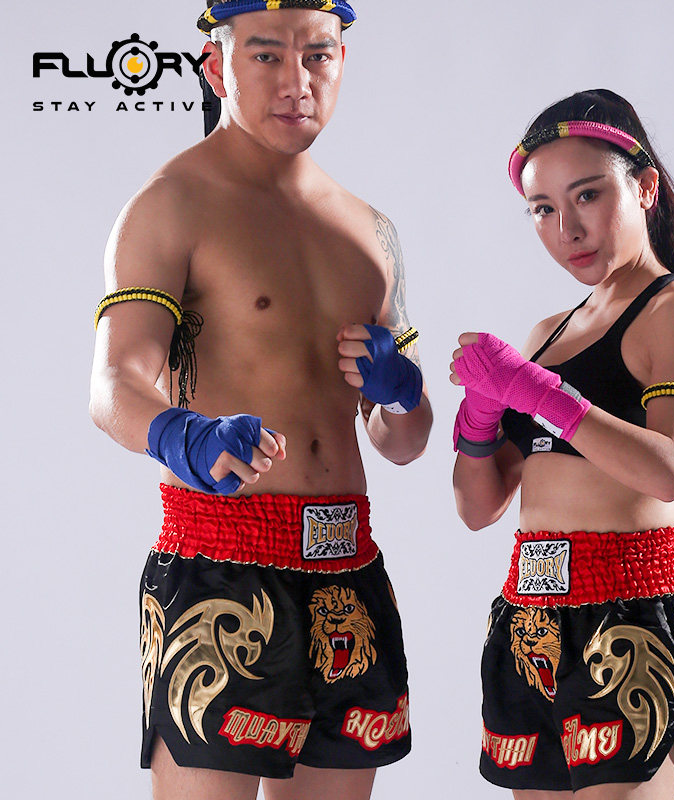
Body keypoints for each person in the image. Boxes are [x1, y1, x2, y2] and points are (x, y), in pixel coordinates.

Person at [89, 3, 432, 799]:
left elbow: (404, 441)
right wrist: (182, 435)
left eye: (318, 56)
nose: (297, 81)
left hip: (347, 566)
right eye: (267, 56)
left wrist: (402, 393)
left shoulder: (370, 230)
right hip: (222, 565)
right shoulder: (172, 203)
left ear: (342, 61)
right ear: (217, 68)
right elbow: (112, 386)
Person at [450, 89, 674, 799]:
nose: (567, 228)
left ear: (645, 187)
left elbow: (669, 471)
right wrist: (480, 416)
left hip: (628, 615)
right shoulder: (547, 332)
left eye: (587, 195)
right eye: (543, 209)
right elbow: (479, 508)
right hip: (530, 618)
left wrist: (539, 393)